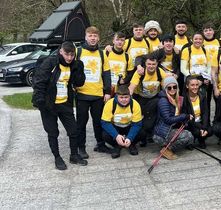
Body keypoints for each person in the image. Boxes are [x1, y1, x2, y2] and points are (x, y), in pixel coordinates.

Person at [32, 41, 88, 170]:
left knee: (73, 131)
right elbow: (39, 82)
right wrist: (41, 102)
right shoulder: (50, 62)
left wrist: (80, 68)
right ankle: (57, 157)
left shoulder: (74, 64)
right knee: (53, 132)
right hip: (48, 104)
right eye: (67, 54)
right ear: (60, 51)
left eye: (72, 55)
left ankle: (74, 155)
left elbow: (79, 83)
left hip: (65, 103)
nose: (69, 58)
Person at [76, 26, 112, 158]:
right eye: (90, 36)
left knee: (98, 122)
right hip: (82, 94)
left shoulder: (102, 54)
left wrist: (107, 92)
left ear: (98, 38)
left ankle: (100, 144)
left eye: (95, 36)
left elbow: (107, 74)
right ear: (86, 37)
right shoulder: (78, 52)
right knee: (81, 123)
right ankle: (81, 147)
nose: (93, 38)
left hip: (98, 95)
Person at [128, 56, 166, 147]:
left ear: (157, 64)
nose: (151, 66)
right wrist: (127, 99)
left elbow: (166, 86)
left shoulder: (160, 72)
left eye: (153, 64)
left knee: (151, 118)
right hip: (140, 97)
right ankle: (140, 137)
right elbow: (132, 87)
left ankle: (150, 135)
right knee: (140, 118)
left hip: (154, 97)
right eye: (149, 64)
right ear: (145, 64)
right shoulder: (140, 72)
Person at [153, 76, 194, 160]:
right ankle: (167, 149)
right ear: (165, 88)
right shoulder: (163, 100)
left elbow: (176, 116)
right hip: (162, 133)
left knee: (190, 136)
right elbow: (168, 119)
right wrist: (184, 116)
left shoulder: (176, 99)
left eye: (174, 87)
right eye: (169, 87)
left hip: (170, 129)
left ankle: (168, 146)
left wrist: (184, 119)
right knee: (187, 136)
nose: (172, 89)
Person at [101, 84, 143, 158]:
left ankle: (131, 144)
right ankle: (117, 145)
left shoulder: (135, 104)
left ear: (130, 96)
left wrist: (130, 137)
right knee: (105, 135)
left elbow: (137, 124)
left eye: (126, 97)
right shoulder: (110, 103)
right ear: (117, 96)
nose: (124, 100)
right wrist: (116, 136)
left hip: (129, 126)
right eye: (121, 97)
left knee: (142, 132)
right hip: (116, 127)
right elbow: (105, 123)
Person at [182, 76, 212, 149]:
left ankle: (201, 139)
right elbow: (186, 118)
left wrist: (204, 127)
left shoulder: (202, 96)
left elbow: (205, 113)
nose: (195, 87)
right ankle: (191, 140)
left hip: (201, 122)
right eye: (192, 85)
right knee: (196, 131)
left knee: (211, 130)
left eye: (196, 85)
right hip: (190, 124)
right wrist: (200, 127)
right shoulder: (183, 98)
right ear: (187, 86)